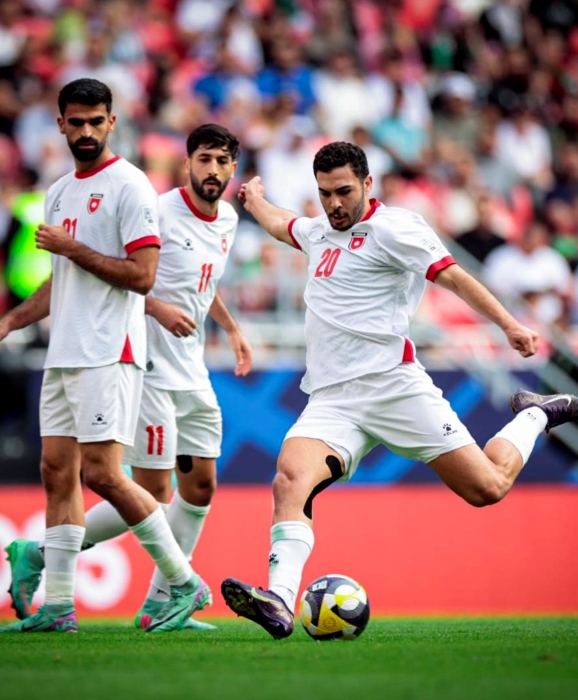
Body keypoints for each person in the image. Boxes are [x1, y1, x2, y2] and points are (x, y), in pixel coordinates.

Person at [220, 141, 578, 639]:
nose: (334, 204)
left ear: (368, 184)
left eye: (344, 191)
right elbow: (283, 224)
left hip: (395, 388)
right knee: (289, 481)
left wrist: (509, 325)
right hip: (332, 399)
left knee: (488, 487)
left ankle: (537, 413)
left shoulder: (396, 228)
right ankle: (279, 599)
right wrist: (255, 199)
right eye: (325, 193)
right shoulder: (320, 231)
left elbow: (454, 278)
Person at [4, 124, 253, 632]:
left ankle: (161, 603)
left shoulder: (227, 218)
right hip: (148, 364)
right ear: (187, 163)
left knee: (201, 487)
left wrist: (230, 328)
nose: (212, 170)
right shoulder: (157, 209)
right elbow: (124, 275)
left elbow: (202, 282)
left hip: (192, 369)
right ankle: (53, 556)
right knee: (150, 490)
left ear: (233, 168)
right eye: (203, 159)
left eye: (221, 161)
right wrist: (157, 309)